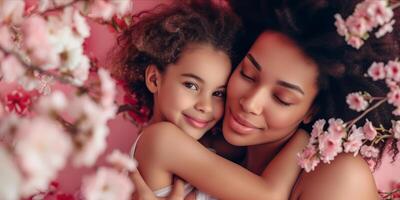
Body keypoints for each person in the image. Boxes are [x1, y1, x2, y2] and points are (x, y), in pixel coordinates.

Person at [130, 0, 400, 199]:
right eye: (247, 74)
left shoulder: (340, 177)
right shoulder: (215, 150)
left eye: (282, 98)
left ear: (313, 110)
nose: (250, 103)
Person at [112, 1, 308, 199]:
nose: (205, 106)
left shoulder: (204, 143)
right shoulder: (161, 140)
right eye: (191, 85)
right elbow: (269, 196)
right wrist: (303, 137)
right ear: (154, 79)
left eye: (218, 93)